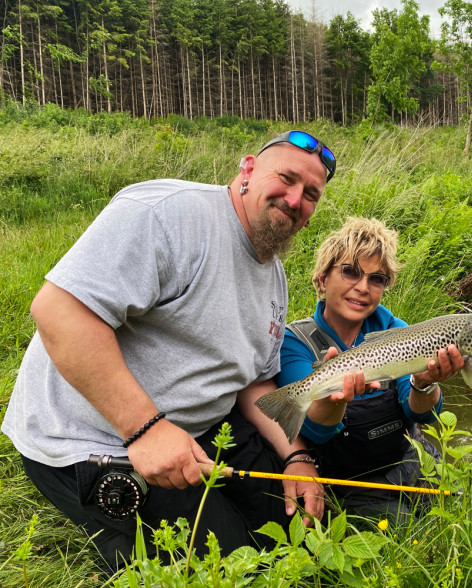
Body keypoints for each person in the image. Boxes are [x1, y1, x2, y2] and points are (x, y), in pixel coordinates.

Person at [1, 130, 352, 572]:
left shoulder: (273, 275)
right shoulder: (170, 214)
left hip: (201, 425)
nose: (295, 198)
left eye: (311, 194)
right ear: (247, 169)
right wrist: (146, 429)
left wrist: (296, 457)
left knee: (310, 536)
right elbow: (58, 312)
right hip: (96, 437)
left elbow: (255, 381)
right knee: (230, 571)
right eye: (286, 177)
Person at [275, 217, 472, 517]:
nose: (363, 287)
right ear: (323, 278)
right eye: (351, 272)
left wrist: (424, 382)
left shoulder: (399, 331)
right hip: (349, 483)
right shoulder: (295, 341)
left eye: (376, 279)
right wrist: (333, 399)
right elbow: (314, 431)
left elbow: (422, 414)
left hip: (410, 465)